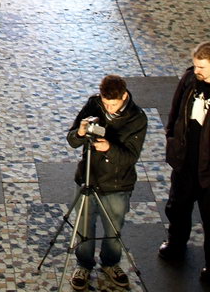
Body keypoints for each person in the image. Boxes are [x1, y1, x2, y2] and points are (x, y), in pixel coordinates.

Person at [66, 75, 147, 291]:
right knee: (84, 225)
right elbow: (72, 140)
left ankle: (110, 263)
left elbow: (131, 157)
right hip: (88, 177)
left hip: (117, 184)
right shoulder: (94, 104)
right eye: (105, 103)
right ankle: (83, 264)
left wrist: (109, 148)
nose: (108, 108)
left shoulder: (137, 118)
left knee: (113, 228)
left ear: (124, 96)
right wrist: (81, 132)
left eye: (113, 104)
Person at [159, 42, 210, 283]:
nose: (197, 70)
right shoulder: (190, 79)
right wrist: (171, 136)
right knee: (177, 207)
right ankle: (175, 245)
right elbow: (176, 109)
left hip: (208, 169)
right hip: (185, 161)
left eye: (202, 66)